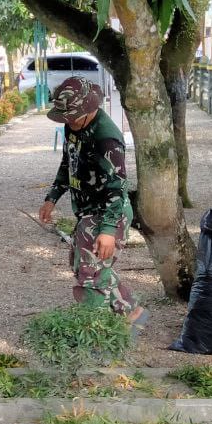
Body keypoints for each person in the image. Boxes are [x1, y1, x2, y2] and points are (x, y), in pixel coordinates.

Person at [37, 77, 148, 331]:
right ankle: (132, 311)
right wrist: (52, 198)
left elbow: (118, 187)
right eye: (66, 117)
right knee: (82, 263)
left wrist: (108, 230)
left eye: (74, 116)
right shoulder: (72, 125)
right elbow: (68, 163)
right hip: (88, 211)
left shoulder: (107, 138)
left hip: (109, 211)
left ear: (90, 109)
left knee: (90, 272)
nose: (69, 122)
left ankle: (95, 329)